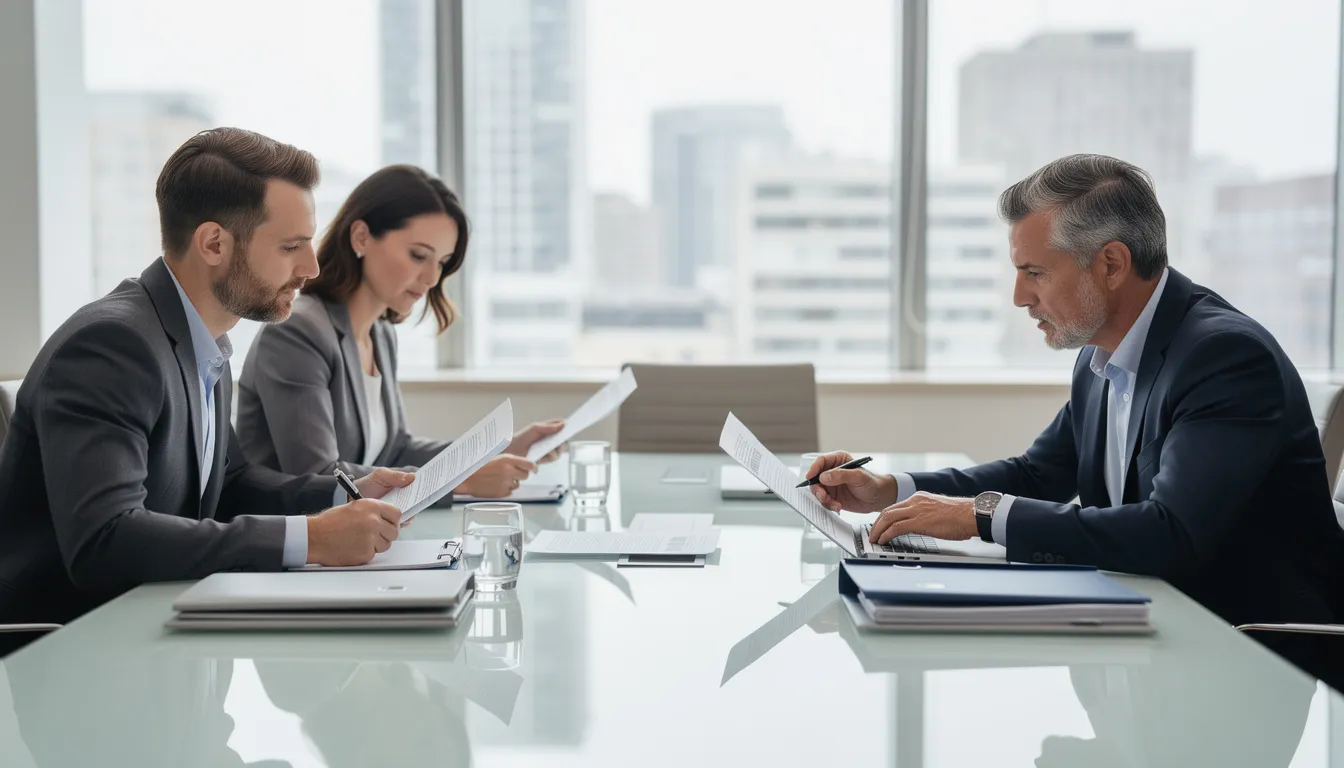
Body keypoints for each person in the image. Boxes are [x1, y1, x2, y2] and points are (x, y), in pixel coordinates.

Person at [808, 154, 1344, 679]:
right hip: (1147, 636)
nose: (1020, 297)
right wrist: (891, 490)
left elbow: (1172, 533)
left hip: (1240, 659)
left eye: (1035, 273)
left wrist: (982, 514)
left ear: (1111, 264)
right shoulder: (1101, 353)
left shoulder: (1223, 357)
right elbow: (1039, 474)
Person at [0, 128, 415, 634]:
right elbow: (105, 540)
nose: (310, 267)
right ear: (214, 243)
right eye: (291, 247)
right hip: (80, 648)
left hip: (159, 626)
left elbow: (232, 483)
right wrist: (311, 538)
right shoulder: (112, 346)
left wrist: (342, 493)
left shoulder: (202, 340)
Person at [236, 164, 563, 499]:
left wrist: (498, 450)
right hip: (291, 539)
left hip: (355, 538)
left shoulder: (380, 333)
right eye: (418, 255)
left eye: (442, 262)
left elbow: (396, 449)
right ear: (361, 237)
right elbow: (317, 475)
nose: (432, 278)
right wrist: (461, 480)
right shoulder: (298, 332)